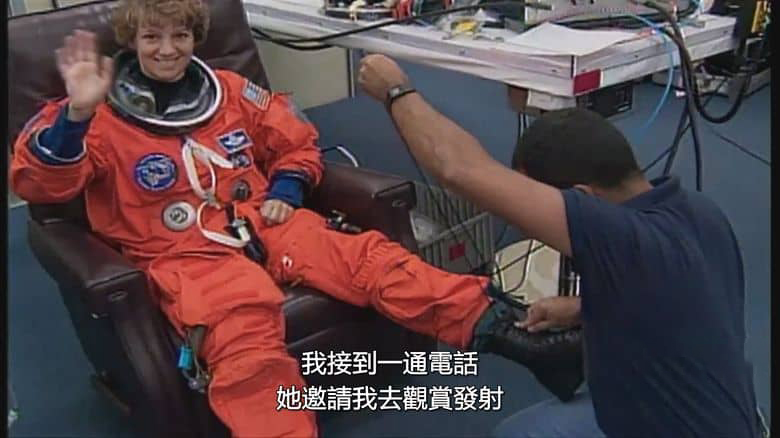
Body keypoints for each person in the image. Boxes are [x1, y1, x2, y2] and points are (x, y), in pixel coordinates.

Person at [10, 1, 585, 437]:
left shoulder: (229, 91)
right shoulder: (92, 115)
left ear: (195, 38)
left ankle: (517, 340)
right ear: (131, 40)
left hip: (265, 221)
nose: (167, 49)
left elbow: (296, 142)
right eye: (152, 37)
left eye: (180, 35)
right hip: (182, 253)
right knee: (244, 343)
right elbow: (38, 185)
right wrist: (77, 115)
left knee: (375, 262)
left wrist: (287, 187)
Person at [357, 54, 761, 437]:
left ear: (583, 196)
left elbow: (457, 168)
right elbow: (682, 303)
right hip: (721, 414)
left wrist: (396, 90)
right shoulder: (695, 212)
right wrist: (584, 308)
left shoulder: (621, 239)